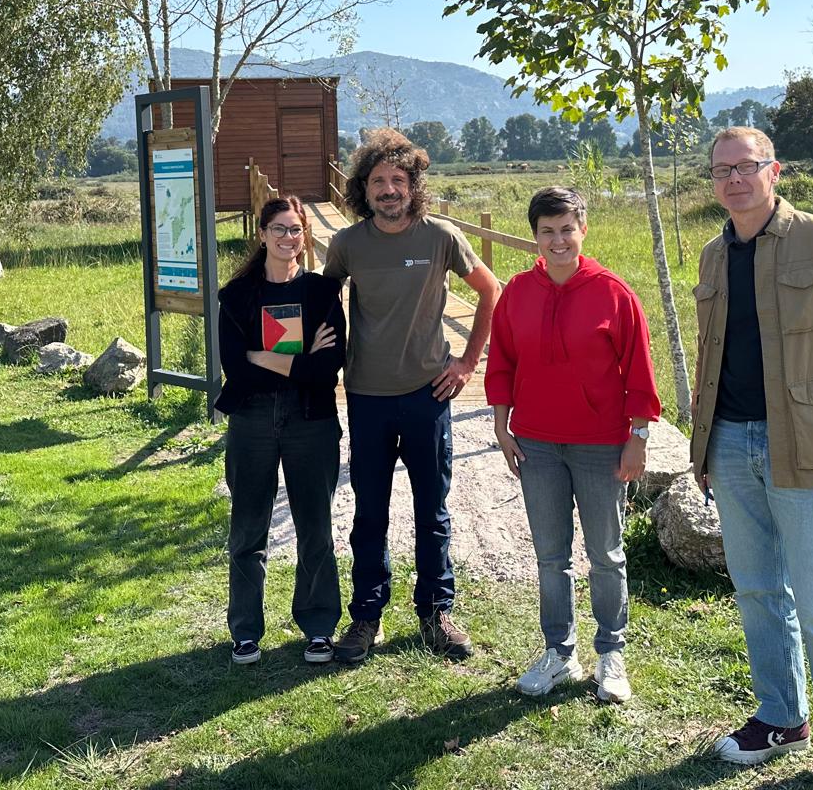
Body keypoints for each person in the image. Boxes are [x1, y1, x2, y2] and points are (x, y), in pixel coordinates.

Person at [690, 127, 813, 790]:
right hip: (731, 441)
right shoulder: (712, 257)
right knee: (756, 593)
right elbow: (709, 360)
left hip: (805, 449)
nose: (734, 181)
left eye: (746, 168)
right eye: (722, 171)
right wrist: (703, 448)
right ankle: (781, 718)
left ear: (774, 170)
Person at [321, 128, 501, 663]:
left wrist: (468, 363)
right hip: (367, 397)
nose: (388, 189)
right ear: (363, 188)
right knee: (369, 513)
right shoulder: (347, 244)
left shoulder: (440, 236)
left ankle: (436, 612)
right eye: (377, 181)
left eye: (398, 179)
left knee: (433, 510)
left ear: (413, 184)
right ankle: (366, 617)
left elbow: (492, 291)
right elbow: (318, 305)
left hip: (428, 395)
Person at [485, 186, 661, 703]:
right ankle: (559, 652)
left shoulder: (613, 292)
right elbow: (502, 363)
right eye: (547, 231)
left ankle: (612, 652)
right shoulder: (517, 292)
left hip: (601, 446)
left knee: (606, 554)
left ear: (583, 230)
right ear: (534, 236)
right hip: (537, 444)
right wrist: (501, 424)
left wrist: (639, 438)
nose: (557, 240)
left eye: (567, 229)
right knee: (550, 555)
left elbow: (640, 373)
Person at [215, 196, 346, 666]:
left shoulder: (321, 293)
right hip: (250, 418)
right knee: (248, 527)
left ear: (305, 236)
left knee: (315, 527)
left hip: (310, 419)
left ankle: (317, 627)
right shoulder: (236, 296)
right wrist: (299, 360)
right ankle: (246, 630)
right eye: (278, 229)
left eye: (296, 230)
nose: (287, 238)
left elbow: (328, 369)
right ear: (263, 233)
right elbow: (235, 367)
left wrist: (262, 357)